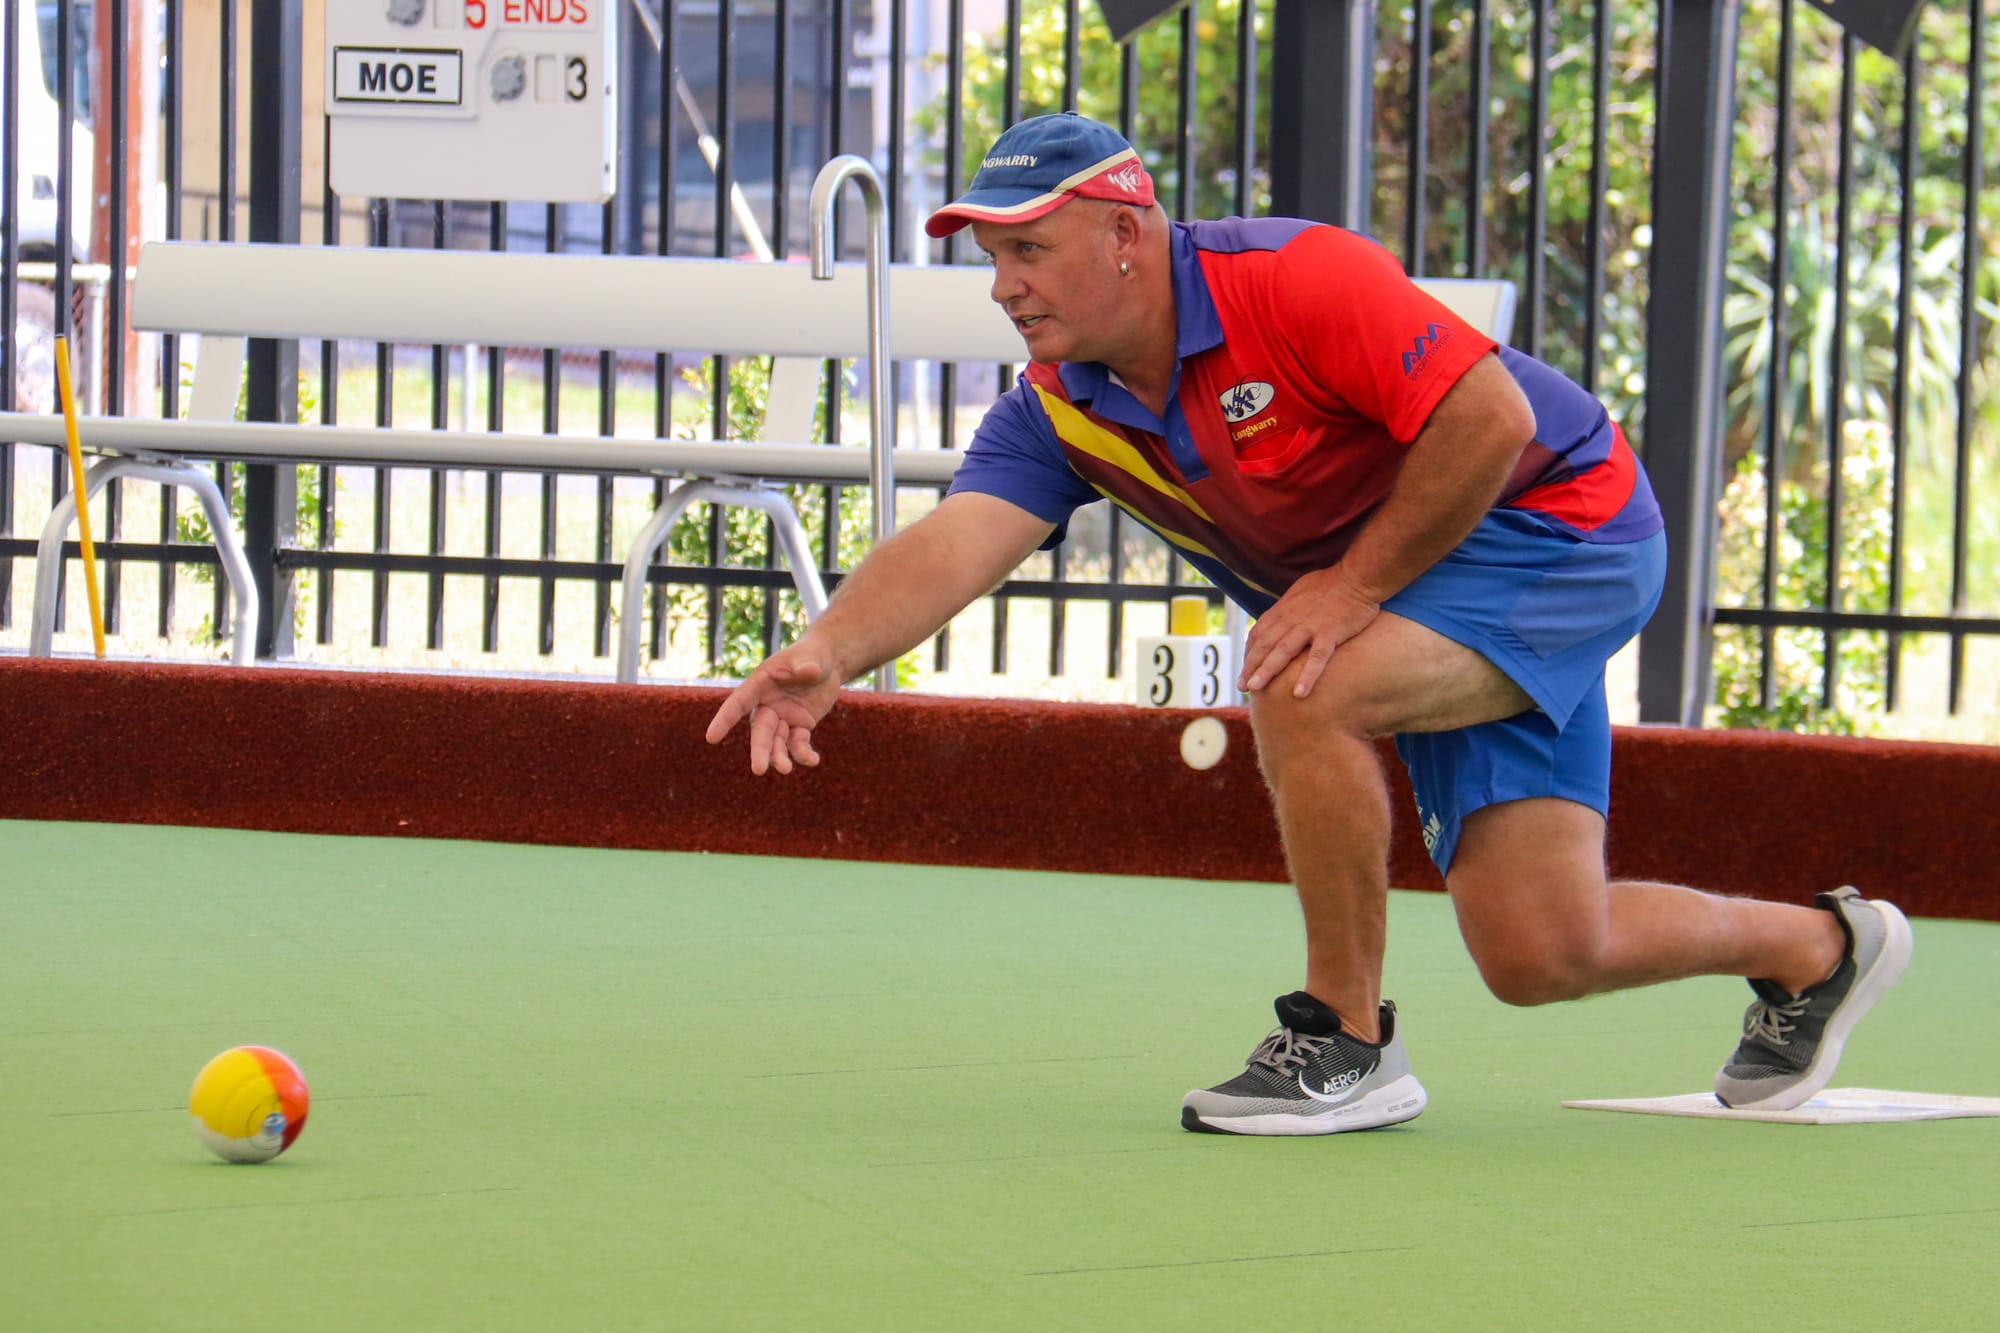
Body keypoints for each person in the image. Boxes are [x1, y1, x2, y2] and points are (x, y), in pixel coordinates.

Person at [706, 111, 1913, 1136]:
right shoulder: (1056, 409)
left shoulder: (1293, 281)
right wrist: (828, 652)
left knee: (1298, 680)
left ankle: (1344, 1039)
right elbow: (958, 538)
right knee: (1542, 949)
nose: (1001, 283)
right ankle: (1820, 948)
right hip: (1423, 591)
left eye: (1028, 248)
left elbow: (1486, 419)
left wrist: (1347, 589)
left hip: (1559, 531)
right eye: (991, 255)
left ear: (1126, 236)